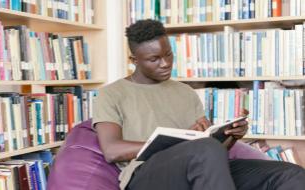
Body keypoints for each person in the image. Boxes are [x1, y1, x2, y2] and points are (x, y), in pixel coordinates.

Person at [95, 19, 305, 190]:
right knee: (202, 148)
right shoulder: (111, 94)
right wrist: (183, 143)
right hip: (146, 174)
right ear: (134, 59)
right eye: (154, 59)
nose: (166, 63)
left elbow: (212, 151)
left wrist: (231, 136)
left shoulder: (185, 92)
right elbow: (112, 150)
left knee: (289, 173)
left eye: (168, 54)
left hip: (201, 164)